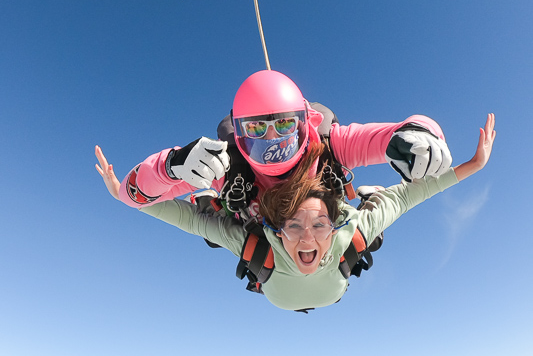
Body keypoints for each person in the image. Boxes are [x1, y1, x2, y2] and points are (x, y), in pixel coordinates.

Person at [96, 114, 496, 311]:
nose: (307, 237)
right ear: (279, 229)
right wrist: (129, 196)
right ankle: (229, 201)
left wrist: (471, 165)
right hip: (308, 266)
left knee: (216, 223)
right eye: (296, 226)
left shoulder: (270, 242)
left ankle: (359, 193)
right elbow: (183, 217)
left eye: (319, 223)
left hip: (281, 272)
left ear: (334, 221)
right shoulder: (288, 237)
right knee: (215, 220)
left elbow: (410, 194)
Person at [116, 70, 453, 223]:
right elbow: (133, 194)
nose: (273, 140)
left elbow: (392, 134)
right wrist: (173, 164)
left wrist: (420, 138)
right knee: (233, 230)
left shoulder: (329, 146)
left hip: (318, 231)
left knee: (357, 237)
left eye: (284, 125)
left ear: (305, 123)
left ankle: (368, 203)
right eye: (257, 129)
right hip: (266, 229)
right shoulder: (227, 165)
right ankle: (211, 205)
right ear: (240, 132)